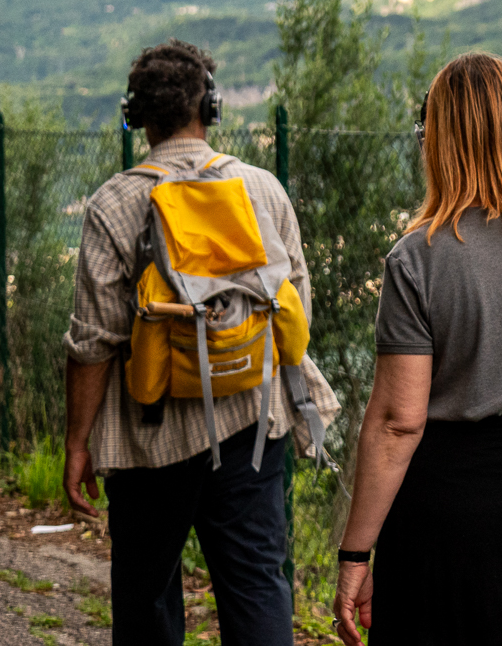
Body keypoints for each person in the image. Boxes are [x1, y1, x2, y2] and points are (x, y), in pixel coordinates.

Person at [64, 39, 340, 646]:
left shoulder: (113, 204)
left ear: (133, 116)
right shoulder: (261, 188)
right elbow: (296, 310)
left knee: (147, 596)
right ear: (209, 107)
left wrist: (77, 441)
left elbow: (94, 341)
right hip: (250, 423)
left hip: (147, 433)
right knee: (257, 586)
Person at [334, 52, 502, 646]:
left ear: (436, 141)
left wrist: (356, 553)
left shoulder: (417, 257)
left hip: (444, 518)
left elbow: (397, 423)